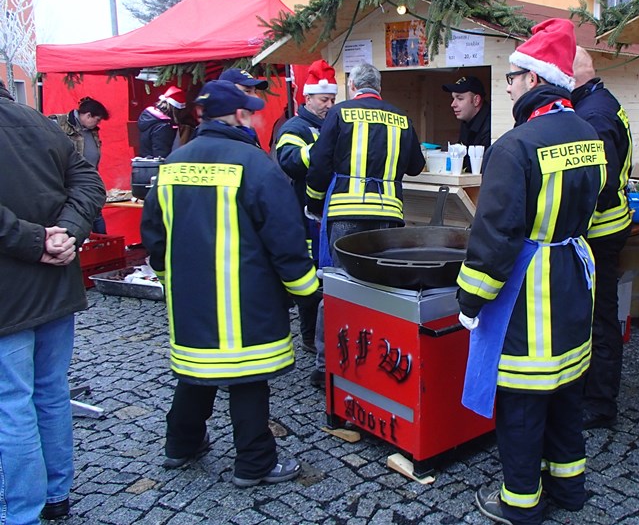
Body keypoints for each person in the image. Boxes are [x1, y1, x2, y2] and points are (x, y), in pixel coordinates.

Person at [457, 19, 604, 525]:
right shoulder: (589, 134)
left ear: (534, 79)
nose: (508, 86)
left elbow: (495, 236)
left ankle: (521, 503)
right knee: (566, 392)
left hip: (528, 291)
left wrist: (470, 300)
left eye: (512, 77)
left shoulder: (514, 145)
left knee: (521, 401)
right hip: (574, 276)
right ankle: (569, 487)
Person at [140, 79, 319, 488]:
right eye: (251, 113)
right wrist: (305, 290)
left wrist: (170, 280)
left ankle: (181, 444)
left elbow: (154, 234)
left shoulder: (173, 164)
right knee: (247, 378)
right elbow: (285, 237)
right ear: (240, 115)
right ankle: (255, 463)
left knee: (197, 370)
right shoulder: (255, 165)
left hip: (191, 299)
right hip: (246, 297)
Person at [0, 79, 106, 524]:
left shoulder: (42, 124)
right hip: (54, 285)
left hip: (11, 296)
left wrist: (46, 238)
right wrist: (65, 234)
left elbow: (88, 184)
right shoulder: (40, 123)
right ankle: (54, 494)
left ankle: (21, 511)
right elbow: (90, 185)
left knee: (14, 401)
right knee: (48, 392)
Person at [306, 62, 425, 388]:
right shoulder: (401, 117)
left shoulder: (339, 113)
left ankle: (325, 367)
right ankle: (378, 360)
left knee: (337, 287)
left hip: (345, 214)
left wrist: (314, 204)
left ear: (352, 85)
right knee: (382, 289)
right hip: (388, 216)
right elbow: (416, 165)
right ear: (379, 88)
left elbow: (318, 165)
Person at [571, 47, 633, 431]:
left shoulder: (592, 115)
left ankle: (599, 402)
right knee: (596, 314)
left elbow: (601, 184)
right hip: (609, 226)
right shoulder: (601, 101)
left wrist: (571, 220)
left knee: (598, 318)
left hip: (599, 231)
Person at [275, 59, 338, 353]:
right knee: (310, 275)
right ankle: (310, 337)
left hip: (329, 211)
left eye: (332, 100)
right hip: (304, 213)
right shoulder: (294, 127)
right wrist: (323, 149)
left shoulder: (331, 124)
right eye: (324, 100)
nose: (329, 105)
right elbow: (289, 161)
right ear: (308, 98)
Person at [51, 97, 110, 234]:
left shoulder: (92, 130)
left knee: (96, 214)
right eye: (97, 120)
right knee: (73, 217)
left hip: (89, 181)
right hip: (67, 183)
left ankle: (103, 242)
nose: (98, 123)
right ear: (88, 115)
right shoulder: (57, 123)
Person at [442, 74, 491, 171]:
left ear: (476, 100)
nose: (453, 104)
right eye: (453, 98)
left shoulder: (491, 126)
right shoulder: (468, 120)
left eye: (460, 99)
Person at [138, 85, 187, 158]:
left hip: (146, 162)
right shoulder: (163, 127)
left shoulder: (149, 119)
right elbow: (161, 156)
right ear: (176, 111)